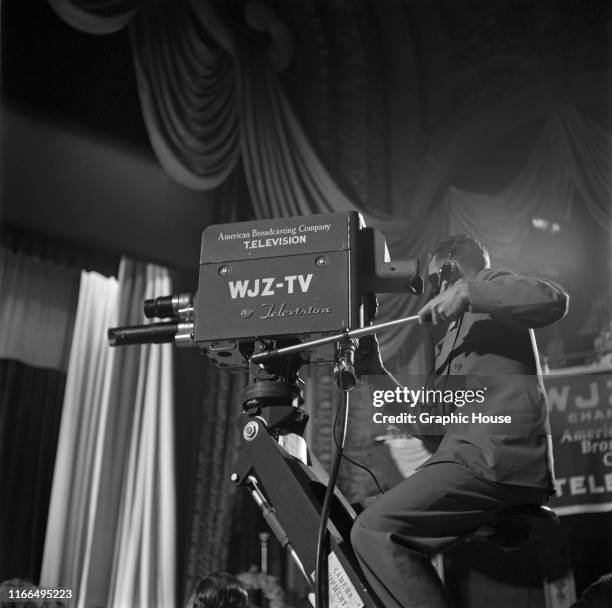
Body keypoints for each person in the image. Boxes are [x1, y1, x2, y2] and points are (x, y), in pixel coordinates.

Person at [350, 235, 569, 608]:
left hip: (493, 458)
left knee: (375, 530)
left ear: (450, 268)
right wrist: (375, 373)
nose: (435, 291)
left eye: (437, 281)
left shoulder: (492, 287)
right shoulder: (450, 341)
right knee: (362, 518)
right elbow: (429, 427)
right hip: (466, 457)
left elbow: (553, 299)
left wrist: (470, 290)